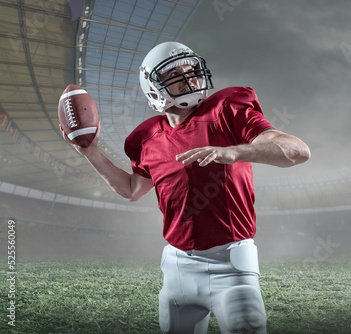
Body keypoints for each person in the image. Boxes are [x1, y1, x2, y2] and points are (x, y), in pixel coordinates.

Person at [62, 41, 310, 334]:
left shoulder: (227, 109)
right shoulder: (146, 137)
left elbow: (298, 151)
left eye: (190, 69)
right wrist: (90, 152)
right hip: (177, 269)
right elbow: (132, 189)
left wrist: (236, 152)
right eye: (174, 74)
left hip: (231, 267)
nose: (188, 77)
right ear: (153, 89)